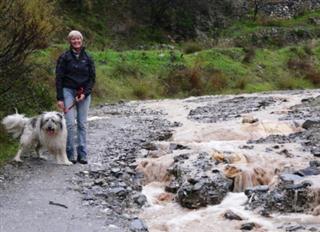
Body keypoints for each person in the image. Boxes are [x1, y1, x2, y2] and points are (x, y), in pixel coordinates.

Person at [55, 30, 95, 164]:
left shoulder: (88, 57)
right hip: (68, 91)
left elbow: (92, 78)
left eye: (78, 39)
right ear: (69, 41)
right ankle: (70, 153)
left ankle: (82, 153)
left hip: (83, 92)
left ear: (82, 40)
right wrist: (60, 98)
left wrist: (85, 93)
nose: (76, 41)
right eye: (73, 39)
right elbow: (59, 78)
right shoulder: (64, 57)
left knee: (82, 124)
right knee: (70, 124)